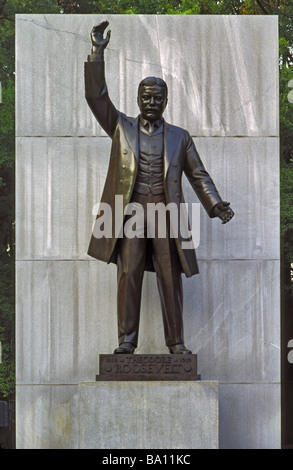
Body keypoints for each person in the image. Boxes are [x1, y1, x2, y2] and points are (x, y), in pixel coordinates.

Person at [85, 21, 234, 355]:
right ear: (138, 99)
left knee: (170, 278)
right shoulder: (121, 127)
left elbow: (198, 175)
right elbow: (96, 97)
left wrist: (215, 204)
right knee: (129, 275)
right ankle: (126, 340)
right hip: (130, 213)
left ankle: (176, 343)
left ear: (166, 102)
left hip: (168, 214)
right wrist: (97, 53)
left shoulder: (179, 137)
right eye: (146, 97)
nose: (152, 102)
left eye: (158, 97)